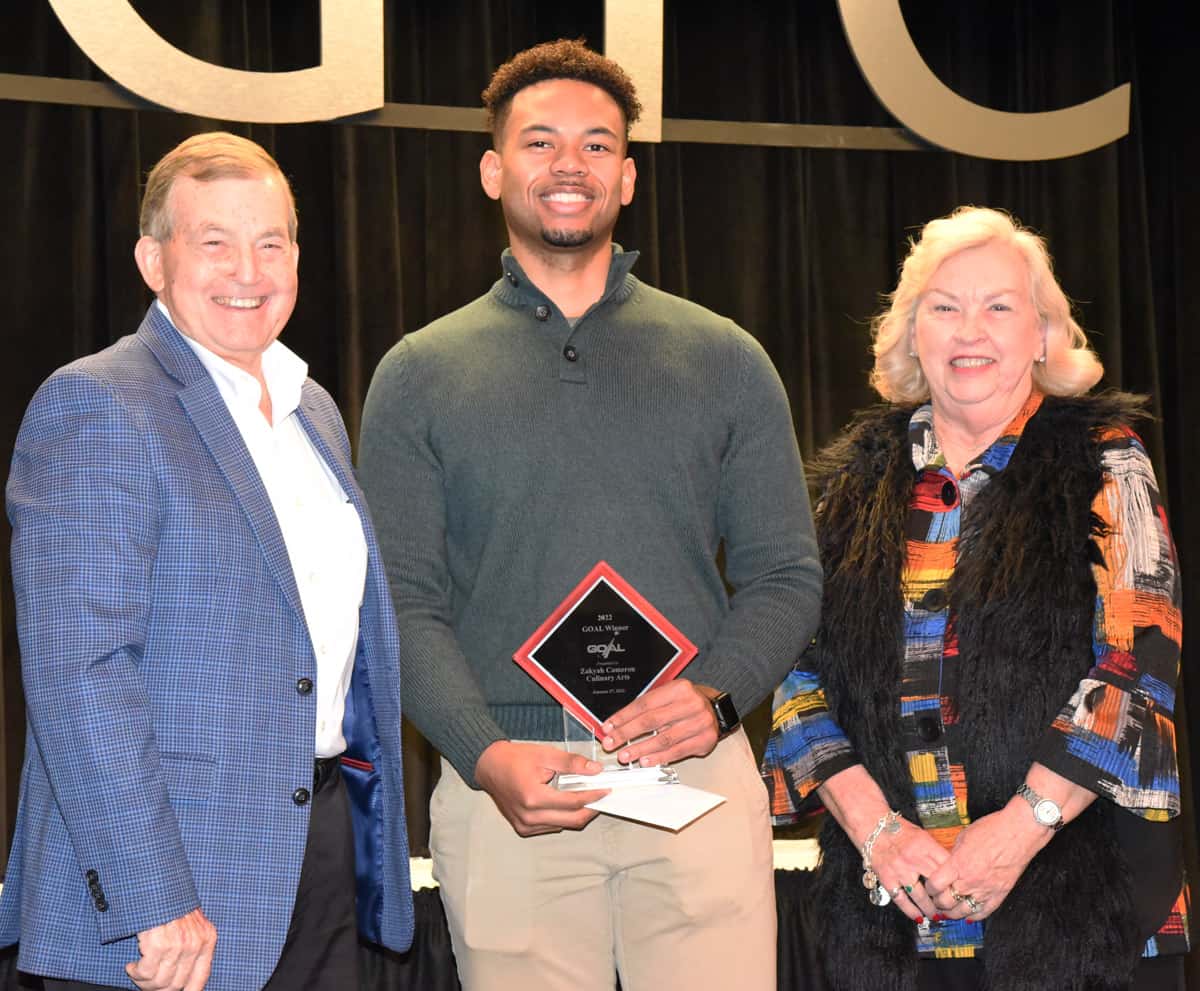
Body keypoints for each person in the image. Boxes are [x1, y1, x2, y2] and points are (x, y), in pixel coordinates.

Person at [358, 39, 821, 991]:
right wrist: (484, 755)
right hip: (508, 787)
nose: (569, 164)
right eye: (540, 142)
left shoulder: (726, 358)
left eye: (597, 144)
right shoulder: (418, 373)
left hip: (693, 777)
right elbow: (400, 601)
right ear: (494, 171)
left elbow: (786, 574)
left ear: (629, 175)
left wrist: (717, 697)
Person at [0, 132, 413, 991]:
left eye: (271, 242)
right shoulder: (99, 404)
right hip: (171, 888)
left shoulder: (316, 412)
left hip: (317, 854)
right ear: (154, 260)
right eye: (214, 241)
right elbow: (80, 672)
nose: (248, 270)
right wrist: (153, 893)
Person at [762, 206, 1189, 990]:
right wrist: (878, 830)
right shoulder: (849, 485)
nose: (970, 331)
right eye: (945, 307)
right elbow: (794, 674)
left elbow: (1141, 657)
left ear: (1042, 335)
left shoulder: (1108, 460)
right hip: (897, 909)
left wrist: (1019, 831)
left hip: (1085, 905)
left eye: (999, 307)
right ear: (910, 333)